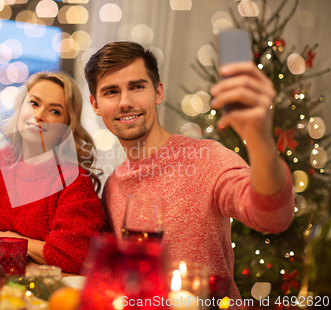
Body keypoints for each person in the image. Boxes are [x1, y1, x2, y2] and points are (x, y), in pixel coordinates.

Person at [85, 41, 294, 300]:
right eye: (111, 92)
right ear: (95, 104)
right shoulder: (113, 186)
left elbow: (272, 217)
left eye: (137, 87)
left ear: (158, 92)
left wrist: (261, 140)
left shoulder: (207, 158)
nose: (125, 102)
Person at [0, 71, 105, 274]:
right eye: (34, 103)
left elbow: (72, 254)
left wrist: (10, 240)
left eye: (55, 111)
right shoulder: (1, 160)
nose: (39, 115)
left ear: (66, 127)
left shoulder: (74, 181)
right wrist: (32, 246)